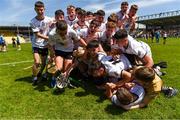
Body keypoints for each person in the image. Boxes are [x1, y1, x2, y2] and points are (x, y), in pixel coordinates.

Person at [48, 20, 84, 87]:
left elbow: (78, 39)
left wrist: (86, 46)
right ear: (57, 29)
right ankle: (53, 78)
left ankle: (63, 81)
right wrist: (52, 54)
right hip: (59, 51)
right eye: (61, 33)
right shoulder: (51, 34)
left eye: (65, 33)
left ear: (67, 29)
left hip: (69, 52)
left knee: (66, 70)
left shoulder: (71, 31)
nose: (63, 35)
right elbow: (49, 45)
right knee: (59, 68)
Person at [29, 1, 53, 85]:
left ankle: (40, 74)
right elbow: (37, 34)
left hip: (45, 45)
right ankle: (34, 77)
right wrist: (50, 38)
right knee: (37, 62)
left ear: (44, 9)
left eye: (41, 10)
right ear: (35, 9)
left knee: (43, 63)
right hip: (36, 44)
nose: (40, 11)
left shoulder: (49, 19)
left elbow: (57, 21)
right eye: (38, 10)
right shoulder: (32, 21)